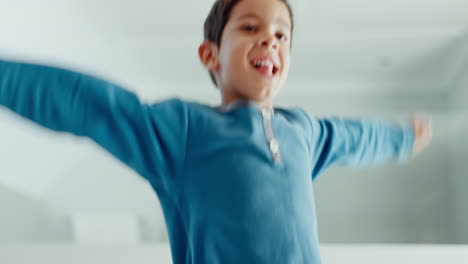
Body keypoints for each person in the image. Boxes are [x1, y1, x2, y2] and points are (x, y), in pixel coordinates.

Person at [0, 0, 432, 263]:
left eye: (282, 35)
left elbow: (356, 139)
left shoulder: (304, 132)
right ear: (210, 55)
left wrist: (403, 140)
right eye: (250, 27)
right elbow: (89, 103)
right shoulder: (185, 131)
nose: (270, 40)